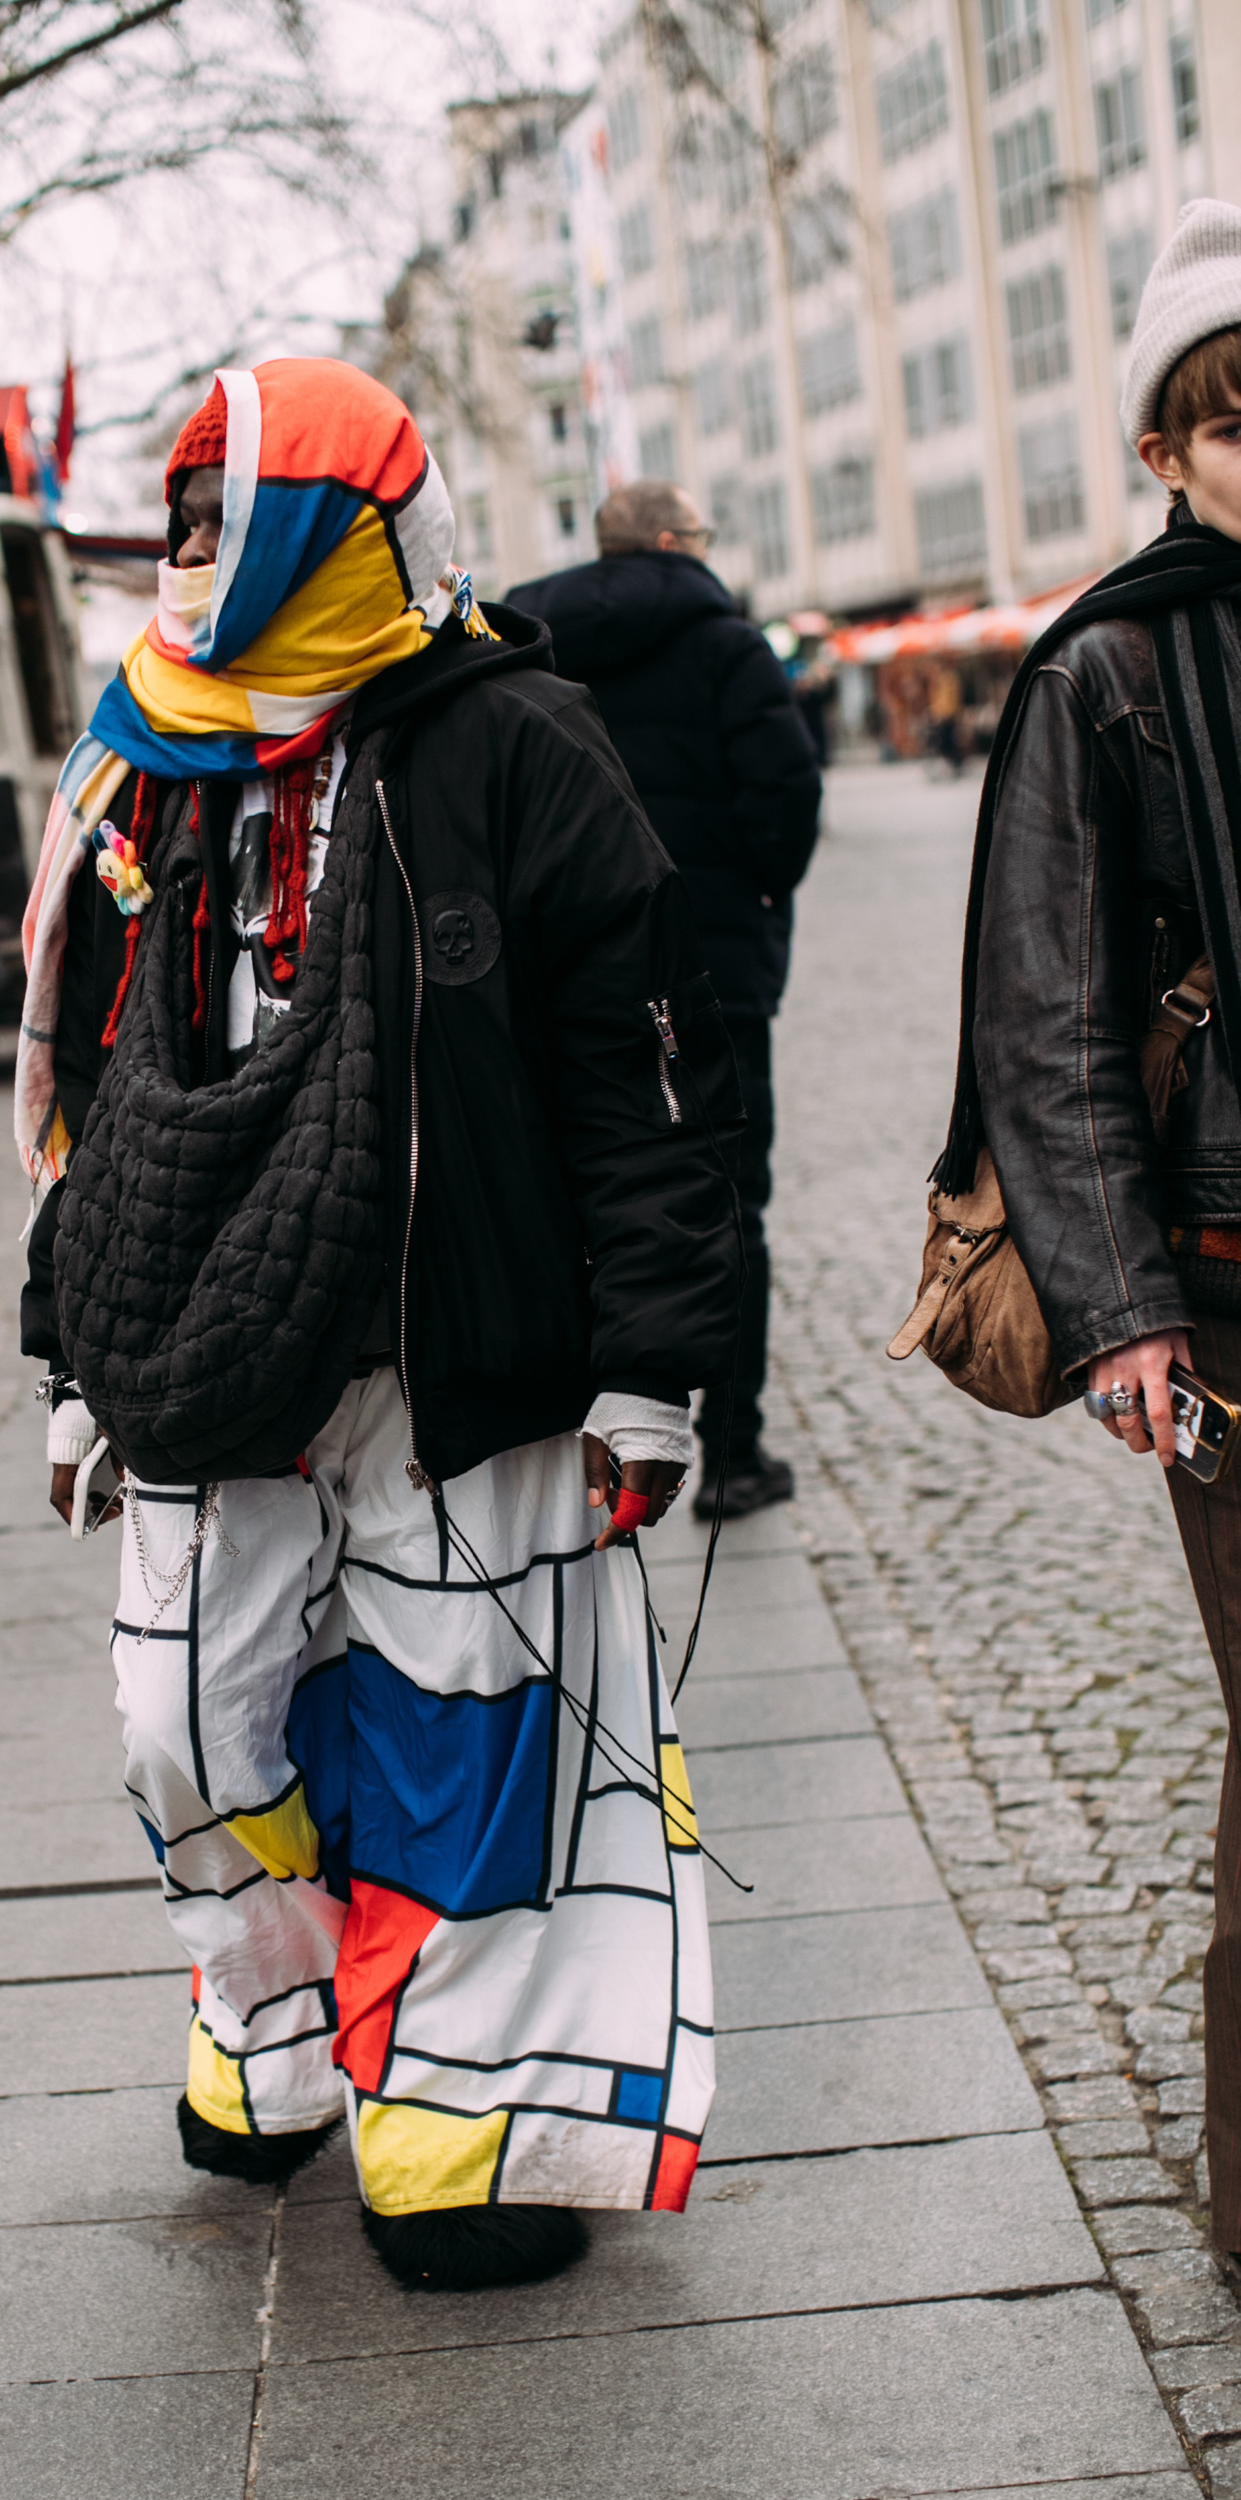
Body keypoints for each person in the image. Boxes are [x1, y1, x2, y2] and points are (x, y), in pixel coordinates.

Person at [16, 360, 744, 2291]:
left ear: (336, 531)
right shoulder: (142, 765)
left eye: (218, 515)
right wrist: (66, 1351)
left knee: (460, 1724)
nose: (185, 559)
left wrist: (652, 1365)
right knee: (184, 1730)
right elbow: (97, 1090)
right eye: (171, 521)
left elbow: (645, 1072)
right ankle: (271, 2012)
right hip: (202, 1342)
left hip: (452, 1348)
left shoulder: (516, 740)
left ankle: (458, 2115)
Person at [940, 200, 1241, 2261]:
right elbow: (1040, 1020)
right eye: (1233, 415)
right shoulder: (1109, 667)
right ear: (1163, 449)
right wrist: (1119, 1310)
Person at [508, 481, 821, 1520]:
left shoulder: (530, 642)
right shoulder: (727, 647)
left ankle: (585, 1448)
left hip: (569, 977)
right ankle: (730, 1452)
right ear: (675, 541)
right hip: (712, 970)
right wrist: (754, 891)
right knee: (728, 1204)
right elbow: (784, 797)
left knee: (578, 1198)